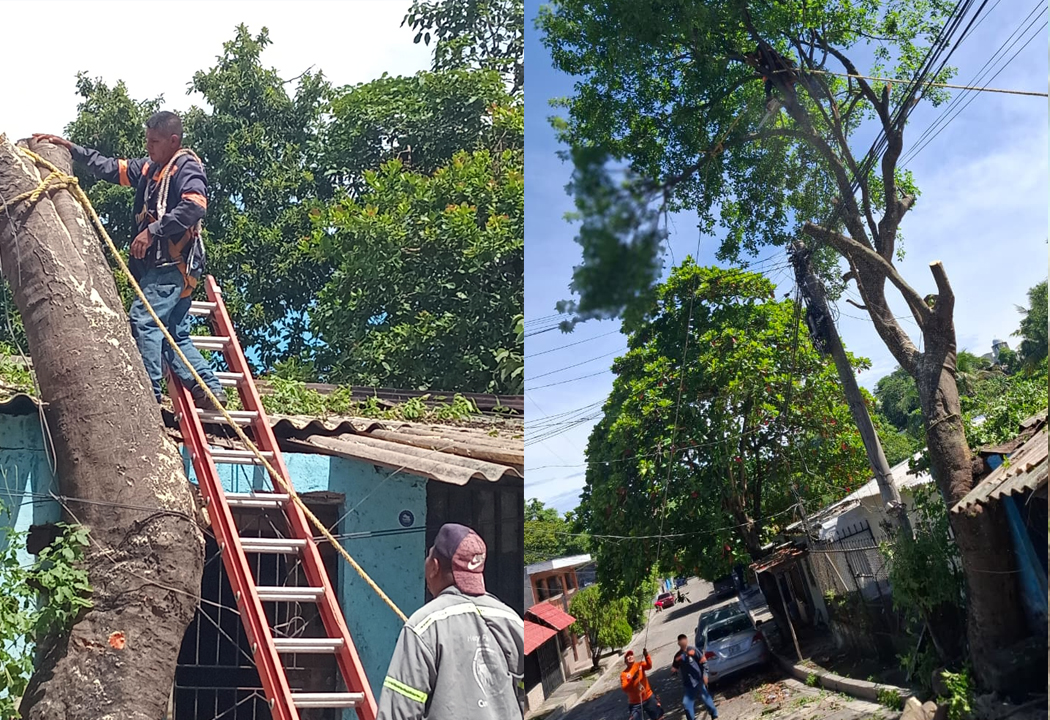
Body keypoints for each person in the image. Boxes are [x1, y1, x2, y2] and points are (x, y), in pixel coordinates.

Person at [32, 111, 227, 409]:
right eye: (147, 140)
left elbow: (195, 205)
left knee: (144, 320)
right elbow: (113, 168)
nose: (149, 147)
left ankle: (149, 394)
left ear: (173, 140)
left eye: (155, 141)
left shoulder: (184, 167)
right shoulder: (150, 169)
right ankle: (208, 389)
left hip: (169, 267)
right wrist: (72, 149)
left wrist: (153, 231)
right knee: (172, 334)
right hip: (169, 269)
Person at [377, 523, 523, 719]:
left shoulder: (423, 626)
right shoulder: (513, 621)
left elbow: (398, 711)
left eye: (429, 556)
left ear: (434, 567)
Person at [671, 634, 718, 720]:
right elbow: (675, 667)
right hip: (688, 684)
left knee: (705, 697)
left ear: (687, 641)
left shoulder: (693, 650)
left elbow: (704, 662)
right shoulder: (678, 656)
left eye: (684, 641)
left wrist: (705, 675)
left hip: (698, 680)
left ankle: (714, 714)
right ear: (678, 643)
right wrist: (674, 670)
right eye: (681, 642)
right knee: (686, 704)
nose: (683, 643)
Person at [620, 648, 663, 720]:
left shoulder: (640, 665)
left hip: (648, 697)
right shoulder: (624, 674)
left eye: (631, 655)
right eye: (628, 656)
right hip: (635, 703)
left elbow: (649, 666)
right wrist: (633, 679)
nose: (630, 657)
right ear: (625, 661)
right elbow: (625, 689)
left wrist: (646, 655)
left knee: (658, 716)